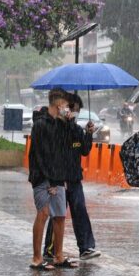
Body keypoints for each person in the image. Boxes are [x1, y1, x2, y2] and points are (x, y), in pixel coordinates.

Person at [43, 93, 100, 261]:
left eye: (77, 111)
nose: (74, 114)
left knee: (80, 210)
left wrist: (88, 133)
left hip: (74, 177)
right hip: (59, 179)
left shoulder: (75, 128)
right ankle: (50, 249)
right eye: (72, 110)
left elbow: (84, 150)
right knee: (58, 215)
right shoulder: (55, 127)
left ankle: (86, 247)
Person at [28, 88, 78, 271]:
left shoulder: (61, 124)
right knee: (43, 213)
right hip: (43, 178)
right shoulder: (40, 125)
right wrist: (49, 181)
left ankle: (58, 256)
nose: (67, 108)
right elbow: (40, 155)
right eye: (65, 105)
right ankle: (36, 258)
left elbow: (69, 146)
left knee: (60, 216)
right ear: (58, 104)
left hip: (58, 178)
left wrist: (71, 122)